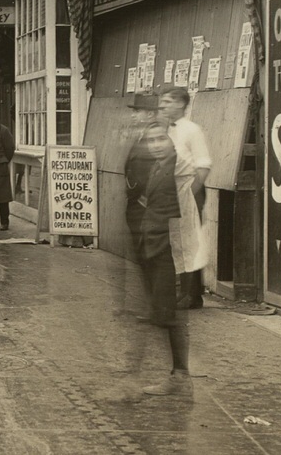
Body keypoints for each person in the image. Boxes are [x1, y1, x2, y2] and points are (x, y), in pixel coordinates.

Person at [123, 91, 191, 397]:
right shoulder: (155, 160)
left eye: (160, 140)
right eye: (152, 142)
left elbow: (178, 209)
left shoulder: (175, 164)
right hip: (150, 244)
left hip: (165, 247)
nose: (155, 145)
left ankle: (173, 376)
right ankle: (176, 375)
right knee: (160, 312)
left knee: (163, 313)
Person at [158, 86, 211, 309]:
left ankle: (193, 294)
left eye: (168, 102)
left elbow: (203, 165)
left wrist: (191, 191)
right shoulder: (165, 129)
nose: (163, 106)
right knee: (177, 239)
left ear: (180, 103)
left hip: (190, 186)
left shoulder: (192, 130)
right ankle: (184, 291)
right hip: (173, 189)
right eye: (161, 103)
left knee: (191, 239)